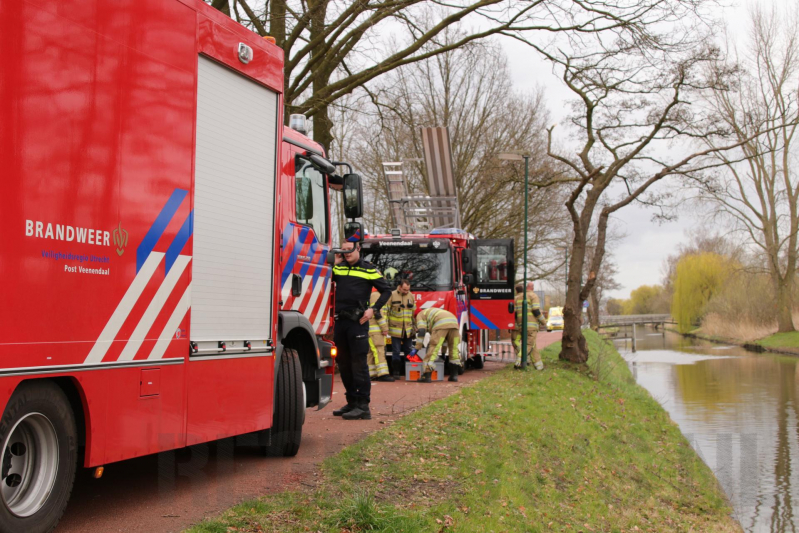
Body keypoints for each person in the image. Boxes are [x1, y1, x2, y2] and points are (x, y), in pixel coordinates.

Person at [331, 241, 392, 420]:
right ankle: (351, 401)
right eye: (343, 250)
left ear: (358, 249)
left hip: (358, 321)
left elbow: (386, 291)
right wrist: (332, 263)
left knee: (358, 363)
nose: (346, 253)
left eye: (349, 250)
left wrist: (373, 309)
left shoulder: (369, 269)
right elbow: (322, 280)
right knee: (343, 363)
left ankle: (363, 406)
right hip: (340, 321)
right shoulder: (338, 268)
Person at [410, 307, 461, 382]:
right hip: (454, 322)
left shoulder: (419, 315)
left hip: (440, 323)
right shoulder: (431, 312)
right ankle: (454, 376)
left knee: (432, 349)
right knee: (454, 349)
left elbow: (421, 331)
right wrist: (443, 352)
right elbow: (444, 340)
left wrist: (417, 348)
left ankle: (426, 376)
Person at [513, 282, 547, 370]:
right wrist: (544, 322)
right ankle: (519, 361)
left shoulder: (518, 298)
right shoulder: (533, 296)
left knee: (532, 345)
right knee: (529, 344)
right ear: (531, 287)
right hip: (531, 326)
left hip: (521, 326)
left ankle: (539, 366)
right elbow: (536, 310)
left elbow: (515, 314)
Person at [388, 279, 416, 378]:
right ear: (399, 287)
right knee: (396, 351)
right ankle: (396, 372)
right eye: (404, 289)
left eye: (408, 289)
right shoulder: (392, 295)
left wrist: (414, 327)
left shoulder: (411, 295)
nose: (406, 291)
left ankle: (409, 372)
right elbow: (386, 311)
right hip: (396, 329)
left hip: (408, 330)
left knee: (409, 351)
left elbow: (413, 312)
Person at [367, 289, 393, 381]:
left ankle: (372, 374)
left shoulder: (374, 295)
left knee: (371, 352)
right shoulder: (376, 296)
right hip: (376, 330)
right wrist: (384, 328)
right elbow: (377, 313)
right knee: (379, 350)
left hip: (372, 330)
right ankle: (383, 374)